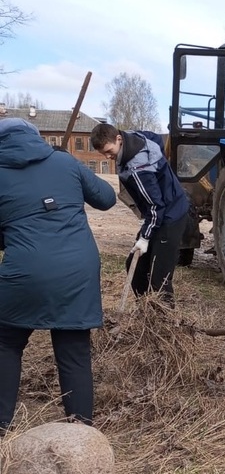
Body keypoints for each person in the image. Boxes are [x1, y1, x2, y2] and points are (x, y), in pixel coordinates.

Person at [0, 118, 116, 432]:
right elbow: (107, 198)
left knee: (6, 343)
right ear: (36, 138)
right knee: (74, 351)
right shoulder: (65, 161)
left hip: (26, 272)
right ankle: (80, 431)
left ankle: (1, 425)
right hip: (76, 271)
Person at [90, 123, 189, 304]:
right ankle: (146, 311)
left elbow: (155, 206)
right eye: (102, 153)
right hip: (160, 211)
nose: (107, 157)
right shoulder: (133, 138)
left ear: (118, 139)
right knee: (135, 267)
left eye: (109, 151)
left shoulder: (139, 168)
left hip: (171, 214)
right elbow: (156, 138)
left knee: (159, 278)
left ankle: (163, 322)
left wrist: (145, 238)